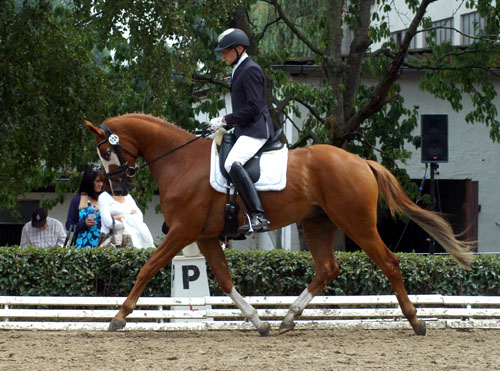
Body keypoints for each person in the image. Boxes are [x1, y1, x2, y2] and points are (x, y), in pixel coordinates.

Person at [210, 28, 274, 233]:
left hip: (256, 129)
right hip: (245, 128)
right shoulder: (239, 68)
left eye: (226, 51)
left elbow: (254, 107)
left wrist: (225, 120)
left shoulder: (250, 69)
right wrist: (225, 126)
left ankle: (258, 215)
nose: (222, 54)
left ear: (239, 49)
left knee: (231, 163)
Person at [98, 179, 154, 248]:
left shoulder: (128, 197)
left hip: (132, 238)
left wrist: (119, 217)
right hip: (112, 240)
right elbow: (109, 223)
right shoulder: (103, 197)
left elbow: (140, 217)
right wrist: (130, 218)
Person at [65, 165, 105, 249]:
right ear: (89, 182)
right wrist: (83, 224)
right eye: (98, 181)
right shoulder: (78, 199)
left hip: (104, 246)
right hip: (82, 247)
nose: (101, 184)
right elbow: (69, 225)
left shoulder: (106, 199)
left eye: (102, 181)